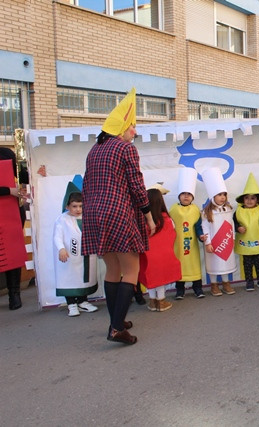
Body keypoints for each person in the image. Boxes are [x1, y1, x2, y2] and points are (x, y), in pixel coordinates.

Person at [82, 88, 155, 345]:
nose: (134, 131)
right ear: (122, 127)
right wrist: (148, 215)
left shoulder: (94, 150)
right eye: (132, 126)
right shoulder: (125, 149)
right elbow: (136, 185)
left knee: (112, 268)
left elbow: (87, 185)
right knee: (131, 269)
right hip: (118, 213)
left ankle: (117, 320)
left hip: (93, 214)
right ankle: (116, 329)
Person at [53, 188, 99, 317]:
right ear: (67, 206)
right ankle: (71, 304)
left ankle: (83, 301)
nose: (78, 209)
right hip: (69, 256)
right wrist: (61, 248)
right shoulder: (62, 220)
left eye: (80, 206)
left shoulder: (87, 217)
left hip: (86, 255)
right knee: (69, 278)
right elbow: (57, 236)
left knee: (84, 277)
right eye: (74, 206)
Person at [139, 185, 182, 312]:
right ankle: (161, 301)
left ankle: (152, 301)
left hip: (147, 256)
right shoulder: (167, 220)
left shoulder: (142, 221)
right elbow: (173, 234)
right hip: (164, 254)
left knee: (151, 277)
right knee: (161, 278)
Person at [169, 167, 205, 299]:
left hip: (192, 245)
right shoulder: (173, 209)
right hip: (178, 245)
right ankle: (180, 290)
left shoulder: (196, 210)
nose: (186, 196)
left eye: (189, 194)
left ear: (192, 197)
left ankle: (198, 288)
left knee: (194, 265)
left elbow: (198, 226)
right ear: (179, 195)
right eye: (183, 193)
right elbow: (169, 226)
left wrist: (201, 236)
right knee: (180, 266)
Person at [201, 167, 237, 296]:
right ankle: (214, 285)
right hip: (213, 243)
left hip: (226, 240)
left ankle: (226, 283)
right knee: (214, 264)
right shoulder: (207, 212)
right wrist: (208, 243)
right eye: (219, 195)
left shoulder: (228, 208)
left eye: (224, 194)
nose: (222, 197)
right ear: (212, 196)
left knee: (225, 261)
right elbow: (205, 228)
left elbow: (231, 223)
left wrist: (232, 238)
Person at [0, 147, 28, 310]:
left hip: (12, 212)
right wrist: (8, 191)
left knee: (12, 252)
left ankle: (14, 294)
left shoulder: (7, 153)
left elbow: (22, 175)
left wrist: (37, 171)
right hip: (6, 208)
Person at [234, 172, 259, 291]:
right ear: (243, 199)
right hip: (245, 242)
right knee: (247, 263)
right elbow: (234, 223)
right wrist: (238, 228)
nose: (249, 200)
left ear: (257, 200)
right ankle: (249, 281)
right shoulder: (238, 211)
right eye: (247, 198)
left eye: (253, 198)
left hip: (257, 241)